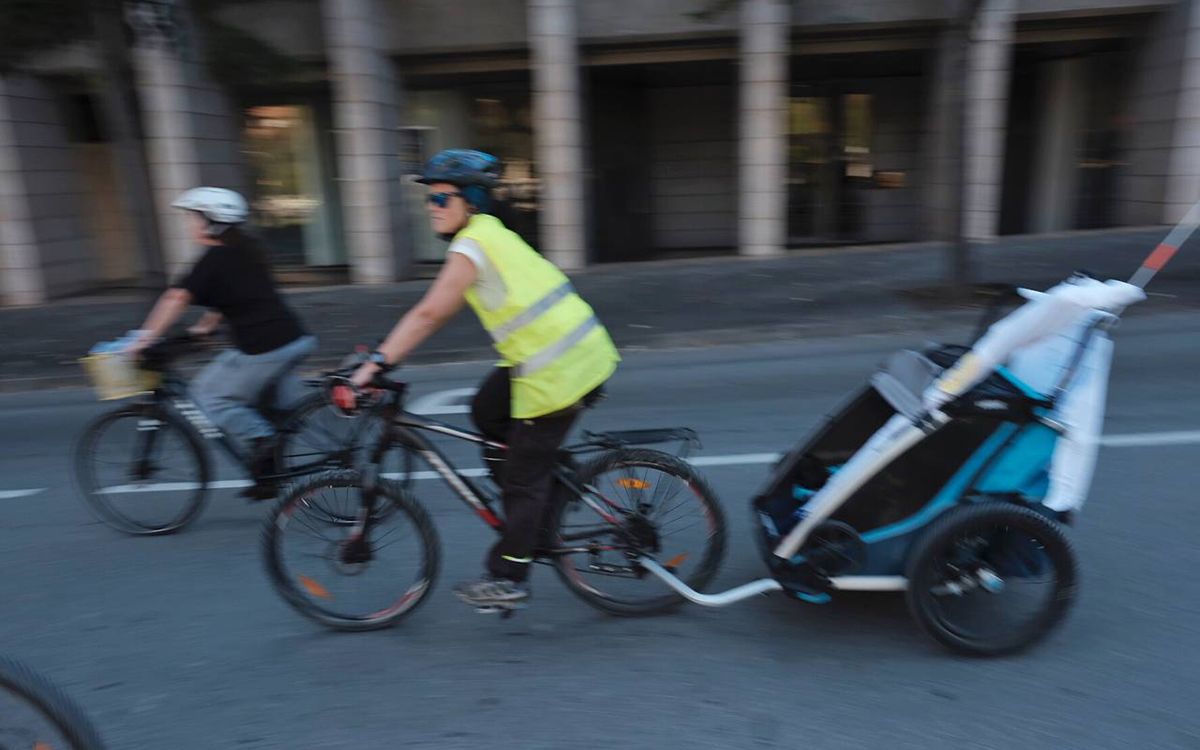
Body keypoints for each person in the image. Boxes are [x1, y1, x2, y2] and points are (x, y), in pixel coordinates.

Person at [350, 149, 619, 609]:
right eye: (429, 199)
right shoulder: (487, 234)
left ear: (470, 201)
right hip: (557, 355)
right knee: (485, 411)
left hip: (559, 369)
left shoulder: (472, 244)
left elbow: (430, 312)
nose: (431, 206)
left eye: (440, 198)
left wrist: (375, 364)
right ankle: (541, 502)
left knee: (520, 478)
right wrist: (381, 356)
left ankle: (510, 575)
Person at [127, 187, 317, 498]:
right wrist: (204, 328)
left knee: (208, 396)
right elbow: (233, 294)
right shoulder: (247, 249)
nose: (190, 225)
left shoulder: (214, 258)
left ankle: (265, 446)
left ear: (211, 222)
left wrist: (142, 338)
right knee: (279, 409)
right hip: (293, 340)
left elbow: (176, 297)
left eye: (194, 218)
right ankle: (275, 469)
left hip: (263, 348)